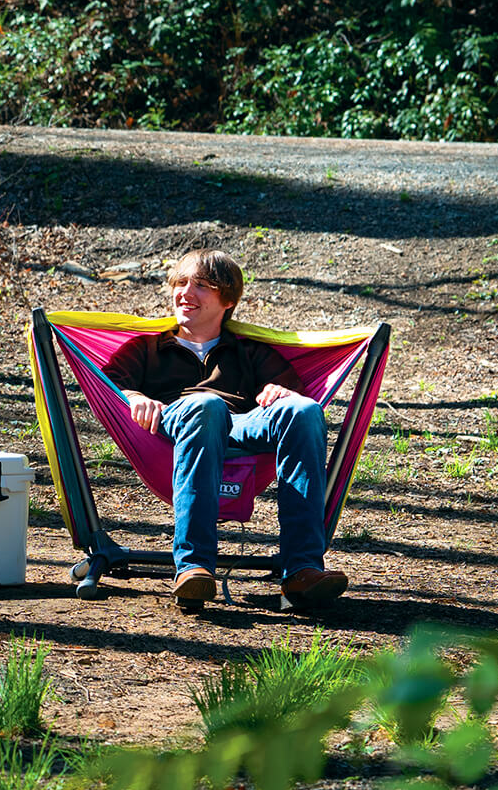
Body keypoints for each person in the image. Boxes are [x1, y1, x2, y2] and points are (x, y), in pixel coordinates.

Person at [101, 248, 349, 608]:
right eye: (181, 283)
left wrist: (279, 391)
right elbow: (106, 385)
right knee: (206, 405)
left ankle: (302, 570)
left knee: (304, 411)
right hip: (176, 422)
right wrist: (133, 395)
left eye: (201, 286)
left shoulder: (248, 351)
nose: (186, 293)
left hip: (239, 424)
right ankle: (194, 567)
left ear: (228, 300)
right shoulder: (146, 348)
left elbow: (288, 391)